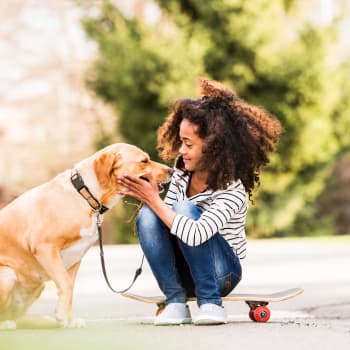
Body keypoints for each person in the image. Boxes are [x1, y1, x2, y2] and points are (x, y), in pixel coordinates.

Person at [117, 78, 282, 325]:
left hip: (222, 274)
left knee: (182, 208)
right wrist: (149, 198)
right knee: (149, 215)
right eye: (180, 142)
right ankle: (175, 301)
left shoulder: (232, 190)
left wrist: (154, 200)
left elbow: (196, 234)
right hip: (185, 271)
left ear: (214, 146)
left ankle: (211, 303)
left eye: (188, 144)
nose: (181, 151)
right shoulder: (182, 173)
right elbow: (166, 219)